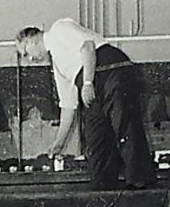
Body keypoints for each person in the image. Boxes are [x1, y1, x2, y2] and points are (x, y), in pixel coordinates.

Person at [15, 21, 156, 190]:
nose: (30, 59)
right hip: (93, 83)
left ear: (31, 41)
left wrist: (88, 82)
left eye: (25, 53)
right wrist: (59, 143)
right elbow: (68, 105)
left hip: (112, 70)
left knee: (124, 125)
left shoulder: (59, 29)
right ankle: (103, 187)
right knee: (96, 137)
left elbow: (88, 47)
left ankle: (140, 182)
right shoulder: (58, 65)